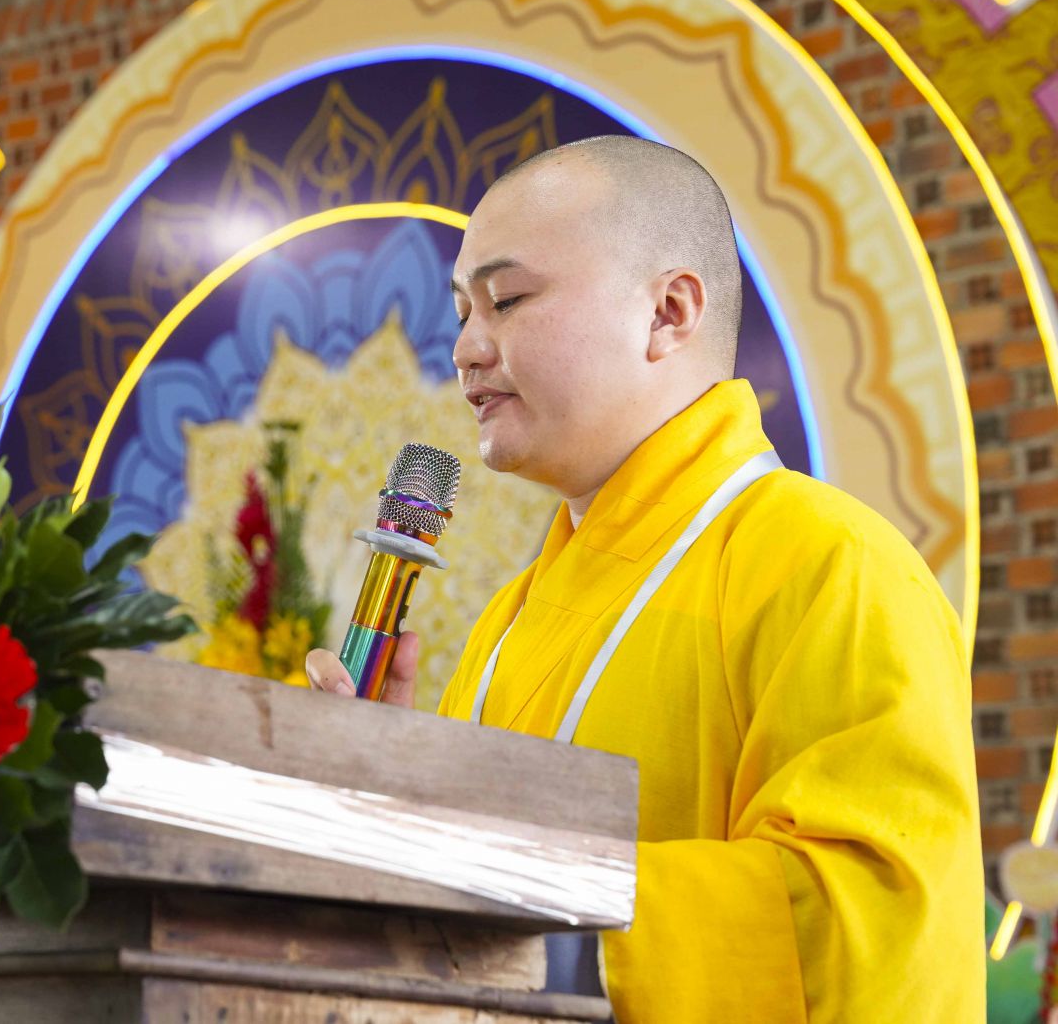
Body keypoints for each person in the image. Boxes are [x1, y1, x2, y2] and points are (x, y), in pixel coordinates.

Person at [305, 135, 984, 1022]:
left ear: (668, 312)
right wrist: (404, 790)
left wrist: (502, 889)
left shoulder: (831, 563)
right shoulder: (510, 617)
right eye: (463, 310)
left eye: (507, 300)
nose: (466, 347)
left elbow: (864, 926)